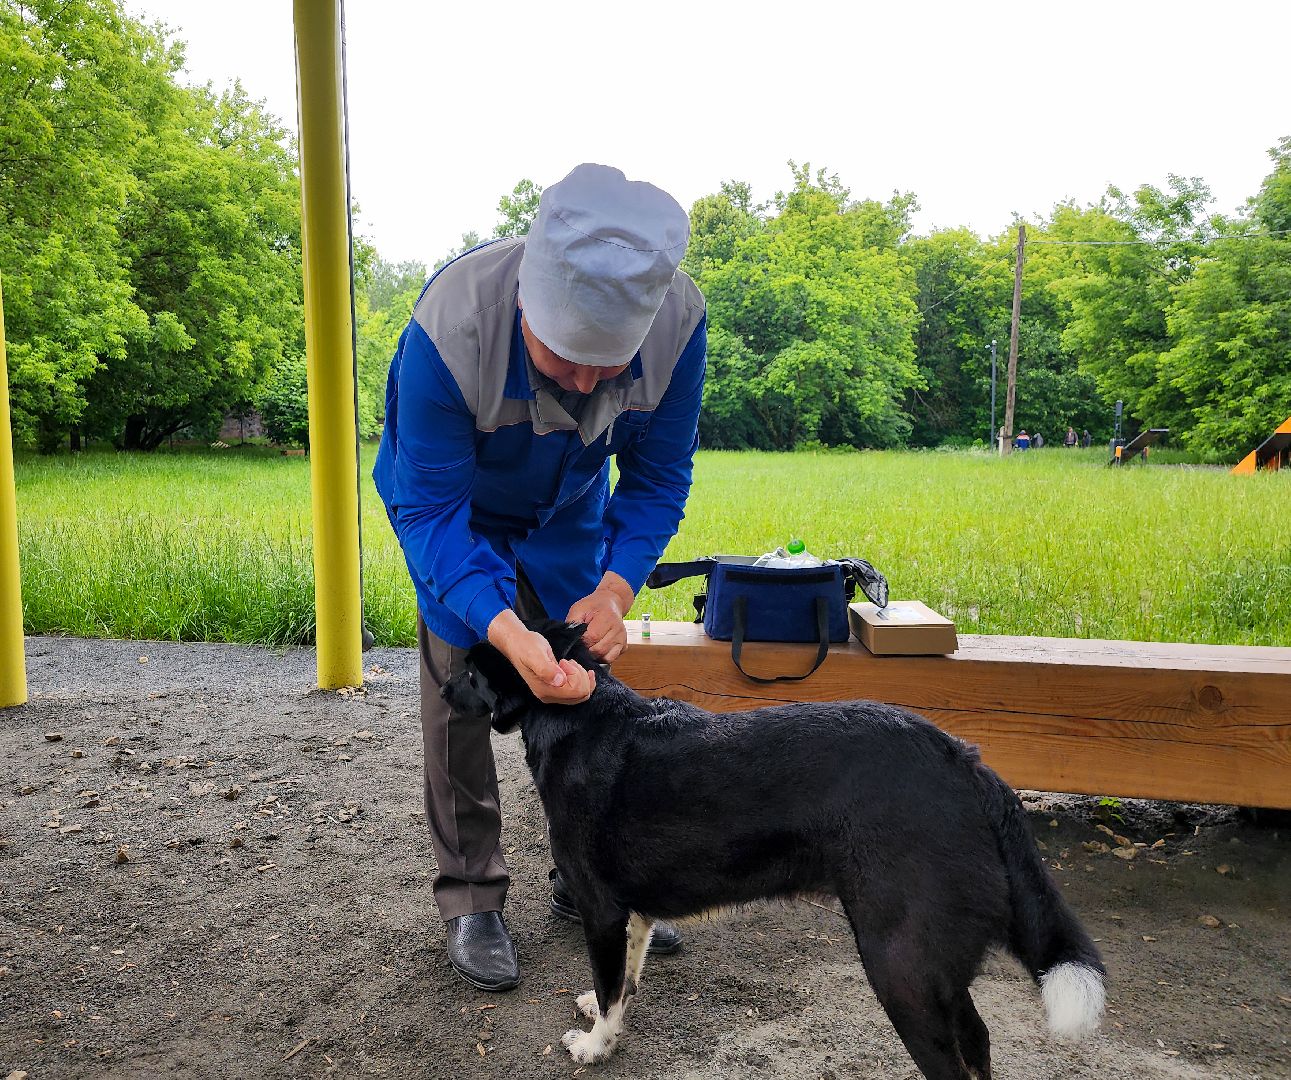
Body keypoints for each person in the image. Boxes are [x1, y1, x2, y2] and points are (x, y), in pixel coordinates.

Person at [373, 164, 704, 991]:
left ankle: (584, 878)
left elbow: (659, 479)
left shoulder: (680, 324)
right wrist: (501, 627)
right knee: (462, 692)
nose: (590, 384)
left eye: (608, 366)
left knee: (583, 697)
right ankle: (473, 897)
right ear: (528, 304)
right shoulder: (449, 332)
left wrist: (616, 587)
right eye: (568, 362)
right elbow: (430, 513)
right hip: (457, 513)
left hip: (567, 514)